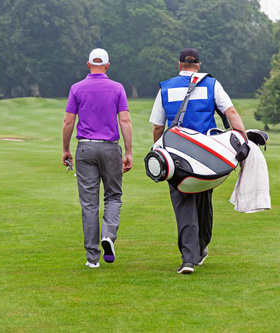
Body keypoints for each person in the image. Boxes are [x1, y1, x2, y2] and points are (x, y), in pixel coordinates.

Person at [149, 48, 247, 274]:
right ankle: (200, 247)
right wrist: (242, 139)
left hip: (175, 157)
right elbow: (230, 112)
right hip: (206, 156)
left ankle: (188, 258)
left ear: (179, 64)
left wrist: (159, 150)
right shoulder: (212, 84)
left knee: (184, 203)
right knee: (203, 201)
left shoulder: (165, 87)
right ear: (199, 65)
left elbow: (157, 127)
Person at [62, 48, 133, 269]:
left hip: (84, 149)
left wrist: (66, 149)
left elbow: (68, 122)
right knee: (113, 196)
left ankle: (92, 258)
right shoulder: (117, 88)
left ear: (88, 64)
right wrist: (129, 152)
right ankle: (109, 236)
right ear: (108, 66)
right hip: (110, 148)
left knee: (89, 204)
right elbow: (125, 121)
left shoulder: (76, 88)